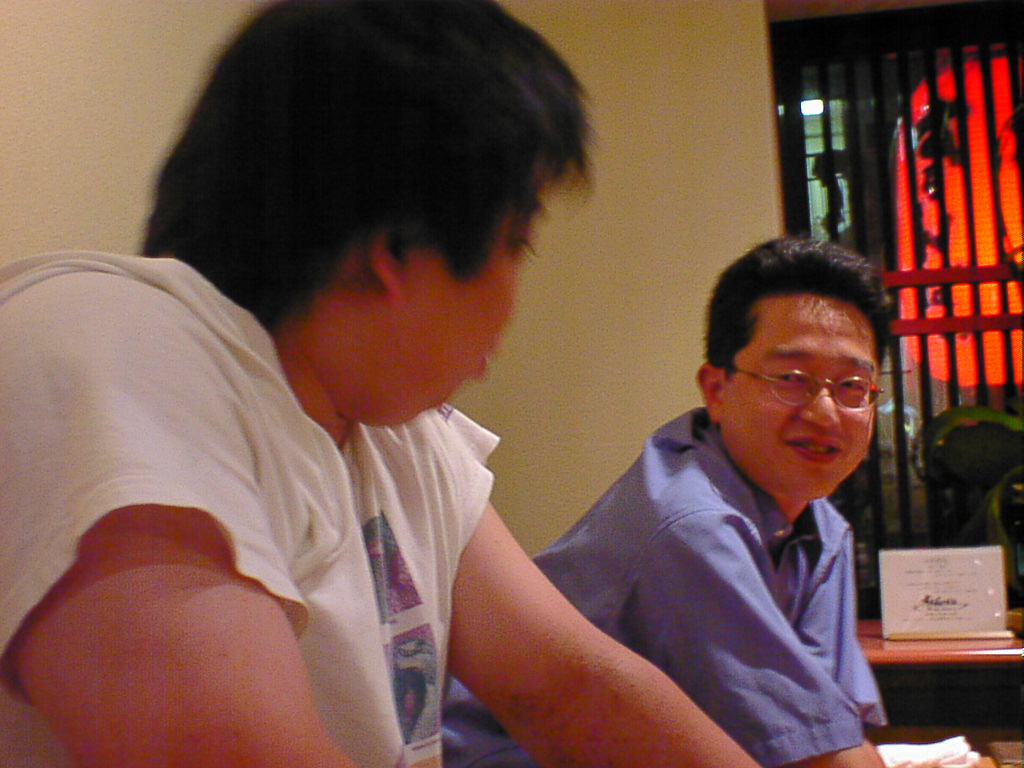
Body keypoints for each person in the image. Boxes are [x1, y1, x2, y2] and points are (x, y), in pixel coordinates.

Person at [0, 2, 760, 767]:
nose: (514, 297)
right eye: (517, 241)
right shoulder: (102, 351)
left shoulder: (390, 426)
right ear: (394, 251)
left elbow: (569, 689)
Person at [443, 237, 892, 768]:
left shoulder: (822, 528)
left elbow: (831, 731)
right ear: (716, 389)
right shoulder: (692, 524)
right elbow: (818, 759)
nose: (824, 412)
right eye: (792, 379)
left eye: (853, 386)